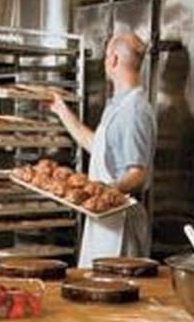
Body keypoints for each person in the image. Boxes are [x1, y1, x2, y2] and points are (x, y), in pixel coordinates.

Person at [48, 31, 157, 267]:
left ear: (114, 59)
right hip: (104, 220)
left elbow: (137, 173)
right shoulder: (118, 105)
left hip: (120, 223)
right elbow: (95, 146)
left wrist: (101, 193)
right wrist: (60, 110)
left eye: (106, 55)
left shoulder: (135, 110)